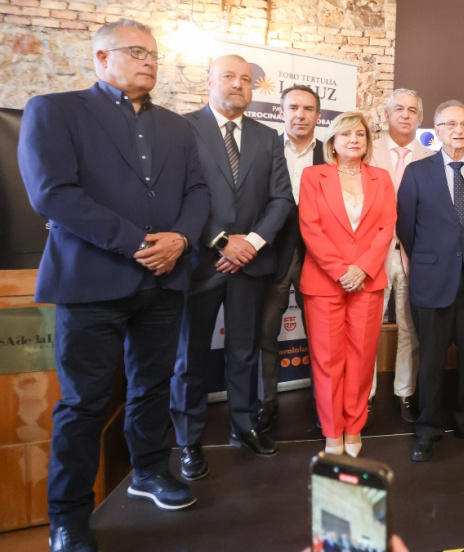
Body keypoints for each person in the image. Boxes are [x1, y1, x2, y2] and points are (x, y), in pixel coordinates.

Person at [18, 18, 210, 551]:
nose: (149, 61)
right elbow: (53, 194)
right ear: (101, 59)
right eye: (136, 52)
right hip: (92, 281)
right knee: (84, 402)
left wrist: (181, 240)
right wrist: (139, 242)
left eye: (154, 54)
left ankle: (149, 471)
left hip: (166, 280)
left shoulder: (177, 126)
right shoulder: (55, 110)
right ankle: (68, 516)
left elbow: (198, 192)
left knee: (152, 387)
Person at [171, 54, 294, 476]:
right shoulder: (182, 128)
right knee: (191, 356)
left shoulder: (268, 137)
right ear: (208, 81)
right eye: (229, 76)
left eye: (246, 79)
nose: (238, 84)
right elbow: (178, 196)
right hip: (199, 263)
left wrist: (253, 243)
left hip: (251, 265)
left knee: (244, 351)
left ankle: (243, 425)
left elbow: (281, 199)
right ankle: (188, 440)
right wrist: (223, 242)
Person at [398, 101, 464, 461]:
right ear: (436, 130)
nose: (458, 130)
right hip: (432, 278)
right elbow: (407, 228)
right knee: (430, 358)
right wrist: (434, 258)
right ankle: (428, 428)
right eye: (449, 124)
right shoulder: (417, 171)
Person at [300, 111, 396, 457]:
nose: (353, 140)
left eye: (360, 134)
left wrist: (363, 269)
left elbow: (387, 226)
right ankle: (332, 430)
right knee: (328, 361)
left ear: (368, 142)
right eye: (346, 135)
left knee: (361, 358)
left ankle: (354, 427)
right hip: (325, 282)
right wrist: (342, 270)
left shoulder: (381, 178)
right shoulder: (314, 177)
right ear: (333, 142)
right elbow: (310, 227)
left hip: (367, 282)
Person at [256, 84, 326, 433]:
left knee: (322, 339)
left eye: (308, 108)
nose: (301, 114)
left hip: (320, 258)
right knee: (265, 335)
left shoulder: (331, 152)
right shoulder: (264, 148)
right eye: (293, 107)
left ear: (318, 115)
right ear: (281, 112)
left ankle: (324, 405)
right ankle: (266, 404)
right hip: (272, 255)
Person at [368, 89, 436, 423]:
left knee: (410, 329)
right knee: (368, 328)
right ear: (387, 114)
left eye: (412, 110)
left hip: (413, 255)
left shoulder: (429, 157)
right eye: (399, 109)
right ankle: (364, 395)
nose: (405, 115)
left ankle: (405, 394)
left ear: (420, 118)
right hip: (372, 255)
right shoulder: (367, 149)